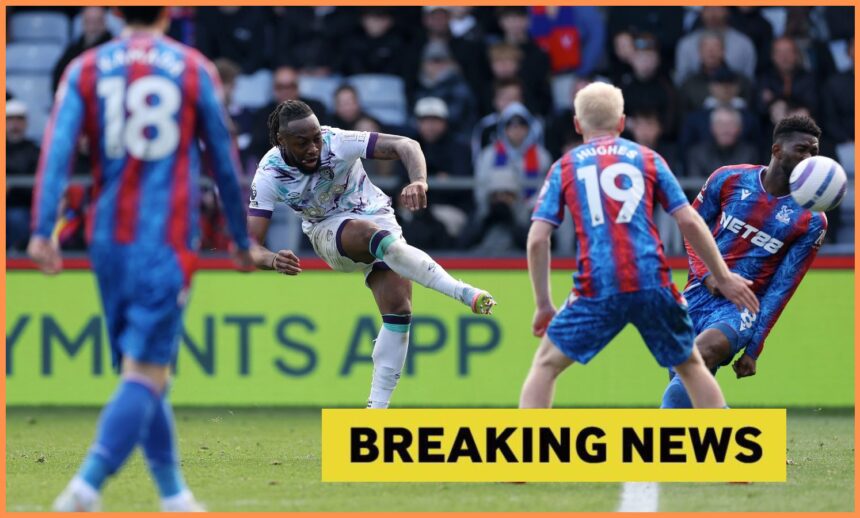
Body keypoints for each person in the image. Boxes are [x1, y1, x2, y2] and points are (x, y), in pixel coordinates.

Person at [28, 7, 253, 511]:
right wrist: (241, 237)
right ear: (168, 12)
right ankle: (85, 486)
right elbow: (223, 158)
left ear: (112, 11)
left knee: (143, 370)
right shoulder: (194, 67)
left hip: (106, 239)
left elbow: (57, 150)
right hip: (165, 240)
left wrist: (44, 229)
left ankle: (174, 495)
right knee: (146, 372)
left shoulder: (84, 67)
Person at [518, 82, 758, 409]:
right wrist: (724, 276)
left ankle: (529, 454)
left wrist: (544, 303)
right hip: (651, 279)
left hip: (598, 283)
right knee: (689, 365)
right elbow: (688, 221)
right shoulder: (648, 158)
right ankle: (730, 450)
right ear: (622, 123)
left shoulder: (566, 166)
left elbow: (537, 239)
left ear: (577, 124)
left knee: (545, 366)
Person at [247, 100, 496, 409]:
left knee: (399, 310)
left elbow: (406, 144)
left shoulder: (336, 141)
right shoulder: (269, 174)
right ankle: (461, 291)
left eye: (316, 139)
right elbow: (250, 247)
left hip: (379, 215)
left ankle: (375, 413)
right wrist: (270, 259)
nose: (314, 148)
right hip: (327, 231)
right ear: (281, 141)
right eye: (302, 143)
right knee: (369, 234)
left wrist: (419, 180)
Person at [661, 115, 828, 408]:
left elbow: (783, 286)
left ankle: (657, 444)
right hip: (697, 295)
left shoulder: (812, 218)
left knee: (698, 356)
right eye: (802, 149)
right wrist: (710, 277)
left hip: (742, 307)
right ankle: (733, 441)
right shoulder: (729, 178)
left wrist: (755, 347)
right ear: (777, 150)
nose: (810, 158)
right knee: (693, 383)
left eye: (814, 151)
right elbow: (691, 230)